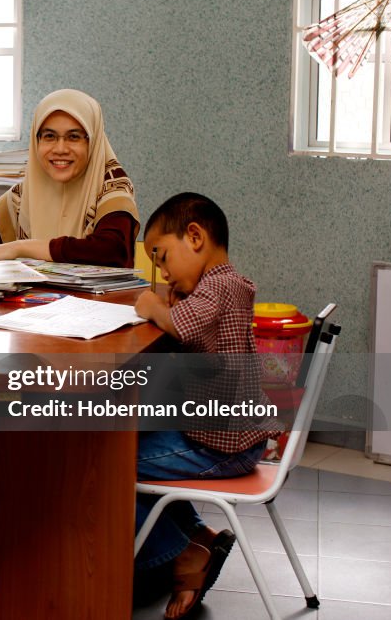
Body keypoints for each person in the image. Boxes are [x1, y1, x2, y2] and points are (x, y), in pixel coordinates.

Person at [133, 192, 281, 619]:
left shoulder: (220, 286)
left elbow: (181, 324)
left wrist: (153, 303)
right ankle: (200, 537)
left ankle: (184, 553)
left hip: (222, 444)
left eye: (162, 258)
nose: (162, 272)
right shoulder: (219, 286)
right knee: (128, 442)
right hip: (223, 436)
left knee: (113, 458)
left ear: (194, 237)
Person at [0, 89, 139, 268]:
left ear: (93, 142)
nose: (60, 148)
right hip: (36, 314)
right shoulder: (22, 197)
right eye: (49, 136)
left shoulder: (112, 186)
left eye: (74, 137)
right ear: (36, 141)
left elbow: (112, 251)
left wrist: (22, 247)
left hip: (101, 315)